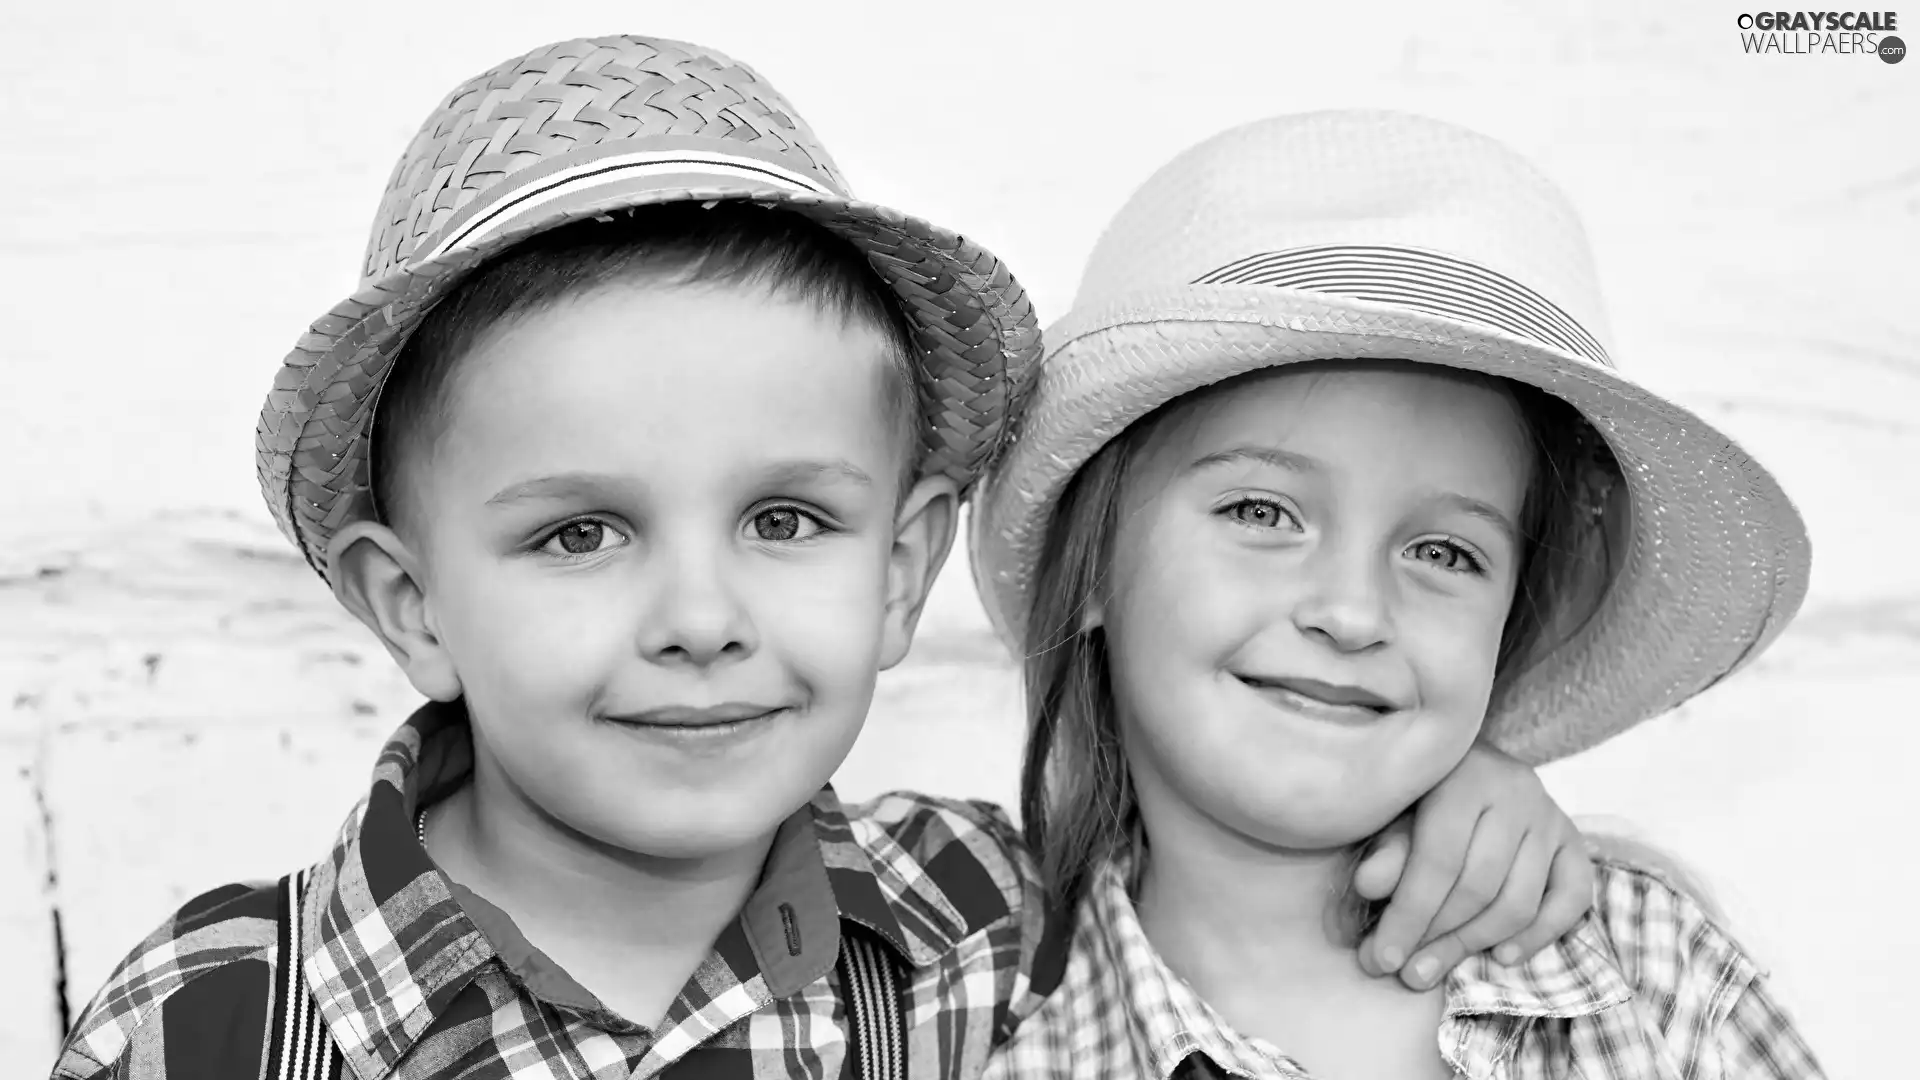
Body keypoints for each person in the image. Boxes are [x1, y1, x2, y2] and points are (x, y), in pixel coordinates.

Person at [54, 42, 1595, 1080]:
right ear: (415, 605)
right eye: (579, 534)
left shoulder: (1008, 927)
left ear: (903, 568)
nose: (702, 621)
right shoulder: (222, 1015)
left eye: (786, 522)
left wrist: (1451, 800)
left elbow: (1284, 870)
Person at [973, 110, 1826, 1079]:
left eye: (1446, 553)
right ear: (1089, 565)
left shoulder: (1657, 982)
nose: (1352, 612)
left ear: (1509, 628)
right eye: (1262, 511)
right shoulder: (958, 1009)